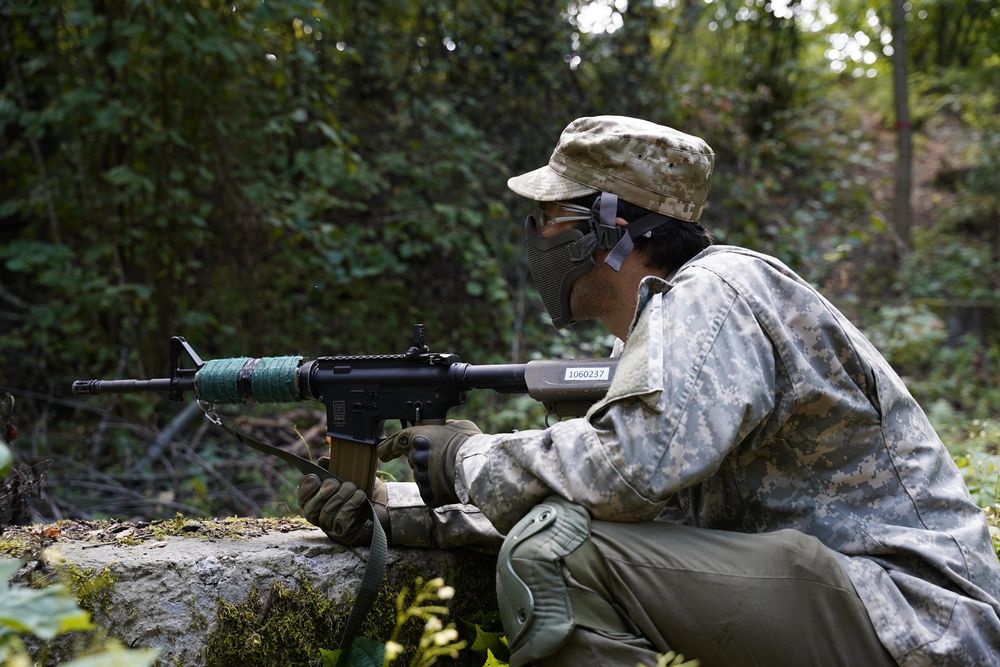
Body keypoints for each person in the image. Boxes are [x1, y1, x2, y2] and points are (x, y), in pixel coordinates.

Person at [298, 116, 1000, 666]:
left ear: (609, 225)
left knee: (552, 558)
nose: (536, 236)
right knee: (559, 540)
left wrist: (465, 459)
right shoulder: (659, 327)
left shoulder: (717, 293)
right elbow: (618, 516)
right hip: (863, 610)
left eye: (548, 217)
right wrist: (403, 516)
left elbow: (625, 472)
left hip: (916, 619)